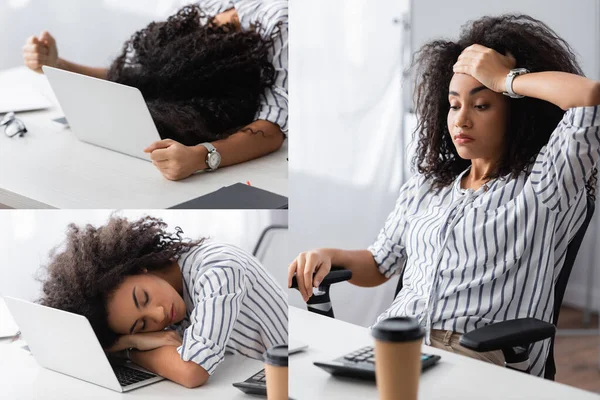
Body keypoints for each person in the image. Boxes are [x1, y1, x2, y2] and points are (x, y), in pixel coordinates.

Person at [288, 14, 600, 377]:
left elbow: (588, 98)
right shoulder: (429, 186)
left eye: (481, 105)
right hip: (393, 341)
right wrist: (327, 255)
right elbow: (378, 264)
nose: (461, 120)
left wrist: (504, 78)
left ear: (517, 111)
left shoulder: (546, 184)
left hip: (474, 354)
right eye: (454, 105)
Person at [22, 0, 288, 181]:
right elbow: (136, 79)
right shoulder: (204, 6)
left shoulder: (281, 21)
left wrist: (201, 157)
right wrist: (56, 64)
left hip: (214, 161)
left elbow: (274, 126)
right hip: (151, 149)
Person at [39, 215, 288, 388]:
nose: (158, 316)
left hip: (298, 380)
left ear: (141, 267)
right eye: (142, 325)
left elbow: (192, 371)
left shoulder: (217, 268)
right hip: (253, 378)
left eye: (143, 298)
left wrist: (129, 348)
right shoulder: (174, 289)